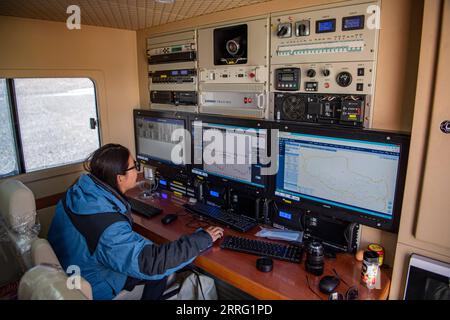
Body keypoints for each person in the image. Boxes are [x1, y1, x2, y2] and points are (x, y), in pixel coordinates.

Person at [47, 143, 224, 300]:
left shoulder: (79, 191)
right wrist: (202, 239)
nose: (138, 171)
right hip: (95, 286)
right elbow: (150, 263)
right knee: (159, 272)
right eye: (134, 167)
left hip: (70, 272)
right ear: (120, 178)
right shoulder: (106, 226)